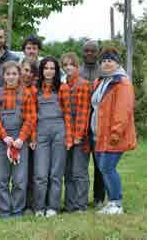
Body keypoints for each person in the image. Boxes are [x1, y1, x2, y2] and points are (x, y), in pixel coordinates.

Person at [90, 46, 136, 215]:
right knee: (104, 169)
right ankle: (111, 203)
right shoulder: (101, 81)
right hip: (100, 134)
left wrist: (116, 132)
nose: (106, 64)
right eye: (103, 61)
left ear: (117, 63)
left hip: (113, 135)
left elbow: (123, 109)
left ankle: (116, 203)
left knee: (108, 168)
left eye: (110, 61)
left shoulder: (122, 82)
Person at [0, 61, 36, 218]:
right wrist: (4, 136)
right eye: (8, 74)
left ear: (19, 75)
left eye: (14, 74)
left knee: (19, 179)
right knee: (2, 178)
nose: (11, 77)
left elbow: (30, 117)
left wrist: (21, 138)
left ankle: (17, 209)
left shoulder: (25, 94)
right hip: (1, 140)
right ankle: (4, 209)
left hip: (20, 139)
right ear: (3, 76)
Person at [30, 57, 72, 218]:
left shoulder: (63, 88)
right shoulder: (35, 89)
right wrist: (33, 137)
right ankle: (39, 207)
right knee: (40, 173)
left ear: (56, 71)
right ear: (41, 70)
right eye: (46, 68)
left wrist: (68, 137)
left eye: (52, 68)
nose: (49, 71)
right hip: (41, 130)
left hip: (59, 130)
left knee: (56, 172)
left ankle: (53, 206)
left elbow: (67, 114)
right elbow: (32, 115)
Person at [61, 52, 92, 213]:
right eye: (65, 65)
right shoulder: (64, 85)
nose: (68, 68)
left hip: (80, 136)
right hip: (67, 135)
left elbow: (83, 112)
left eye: (71, 64)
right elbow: (64, 112)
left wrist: (78, 136)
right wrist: (68, 137)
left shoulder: (83, 84)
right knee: (68, 171)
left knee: (79, 171)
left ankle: (81, 204)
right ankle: (69, 204)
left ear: (77, 66)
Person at [79, 40, 105, 208]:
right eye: (86, 51)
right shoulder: (78, 71)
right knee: (80, 165)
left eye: (93, 51)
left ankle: (98, 198)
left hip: (99, 123)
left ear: (98, 53)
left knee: (99, 164)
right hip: (80, 123)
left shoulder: (103, 71)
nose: (89, 53)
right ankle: (79, 198)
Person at [20, 58, 38, 214]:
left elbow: (33, 116)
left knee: (31, 171)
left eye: (31, 72)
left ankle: (29, 204)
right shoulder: (14, 87)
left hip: (32, 135)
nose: (28, 74)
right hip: (15, 135)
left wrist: (33, 137)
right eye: (25, 70)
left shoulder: (34, 90)